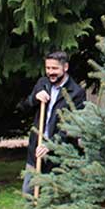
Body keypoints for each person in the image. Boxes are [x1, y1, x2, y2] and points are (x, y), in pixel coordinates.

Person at [20, 51, 87, 197]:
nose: (50, 72)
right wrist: (35, 99)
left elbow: (72, 126)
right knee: (29, 192)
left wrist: (51, 145)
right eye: (48, 68)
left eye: (55, 68)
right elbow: (25, 107)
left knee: (53, 196)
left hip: (58, 154)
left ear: (65, 67)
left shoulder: (76, 93)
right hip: (36, 148)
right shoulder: (42, 84)